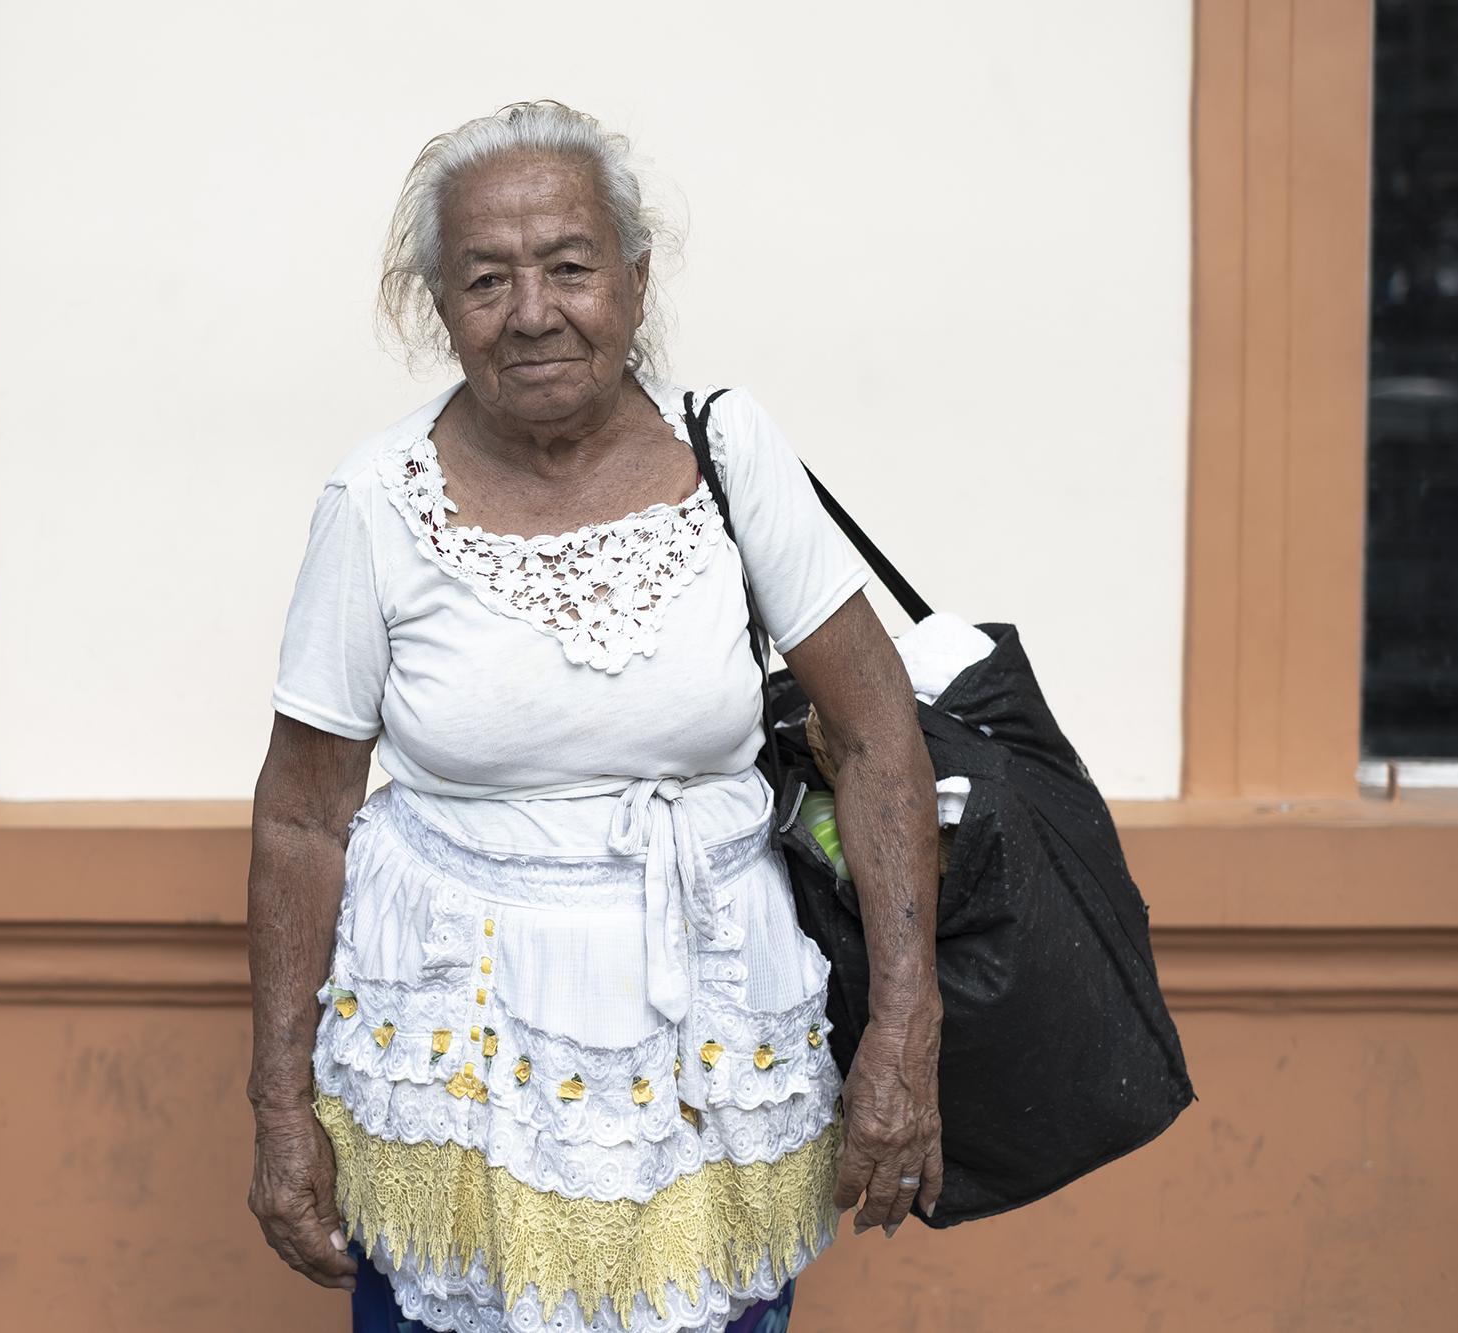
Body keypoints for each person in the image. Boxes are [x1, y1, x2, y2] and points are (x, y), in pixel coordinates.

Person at [246, 100, 944, 1333]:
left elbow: (880, 731)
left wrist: (904, 1021)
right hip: (450, 1065)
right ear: (436, 306)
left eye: (568, 266)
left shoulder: (730, 452)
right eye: (484, 278)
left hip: (709, 1059)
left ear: (632, 278)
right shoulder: (373, 505)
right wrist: (280, 1105)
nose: (530, 312)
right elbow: (304, 817)